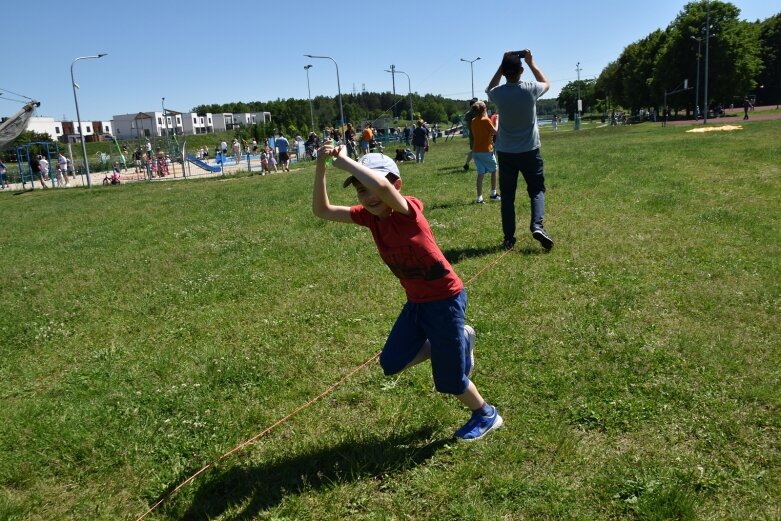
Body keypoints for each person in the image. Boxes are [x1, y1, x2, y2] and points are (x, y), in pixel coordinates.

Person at [312, 144, 504, 441]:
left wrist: (346, 161)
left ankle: (486, 414)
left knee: (450, 381)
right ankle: (457, 342)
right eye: (360, 191)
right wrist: (321, 166)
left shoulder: (407, 210)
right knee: (391, 362)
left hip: (445, 300)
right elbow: (322, 210)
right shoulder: (369, 217)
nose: (368, 196)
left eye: (372, 187)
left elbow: (383, 188)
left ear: (396, 185)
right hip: (417, 303)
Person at [486, 49, 553, 251]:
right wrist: (532, 62)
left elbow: (490, 87)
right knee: (536, 190)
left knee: (507, 197)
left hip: (506, 152)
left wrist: (502, 63)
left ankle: (509, 239)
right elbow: (547, 83)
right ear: (522, 71)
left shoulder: (498, 94)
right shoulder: (531, 89)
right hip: (530, 150)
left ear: (505, 72)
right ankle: (537, 226)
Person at [470, 101, 500, 204]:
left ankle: (479, 198)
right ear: (484, 109)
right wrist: (496, 121)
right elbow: (495, 131)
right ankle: (493, 194)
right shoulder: (486, 120)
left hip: (475, 151)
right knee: (494, 170)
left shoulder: (473, 121)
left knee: (480, 173)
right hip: (486, 150)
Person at [462, 97, 478, 171]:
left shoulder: (468, 113)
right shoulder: (475, 113)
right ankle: (468, 164)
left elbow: (465, 122)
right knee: (476, 150)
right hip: (476, 134)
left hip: (472, 134)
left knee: (474, 150)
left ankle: (467, 164)